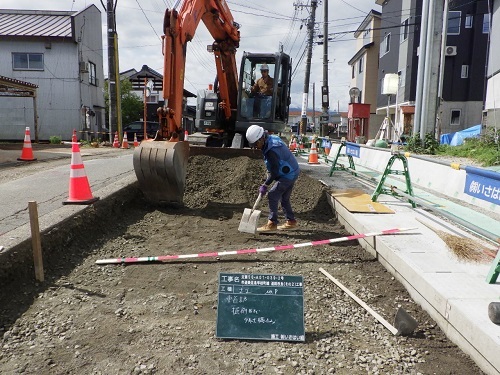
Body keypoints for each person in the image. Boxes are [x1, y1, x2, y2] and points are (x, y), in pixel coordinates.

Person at [245, 125, 300, 232]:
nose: (256, 147)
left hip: (288, 174)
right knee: (284, 198)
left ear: (261, 138)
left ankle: (272, 223)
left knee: (272, 194)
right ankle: (291, 221)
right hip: (293, 170)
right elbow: (274, 166)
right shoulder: (271, 139)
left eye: (256, 144)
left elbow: (274, 172)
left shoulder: (271, 150)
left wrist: (265, 185)